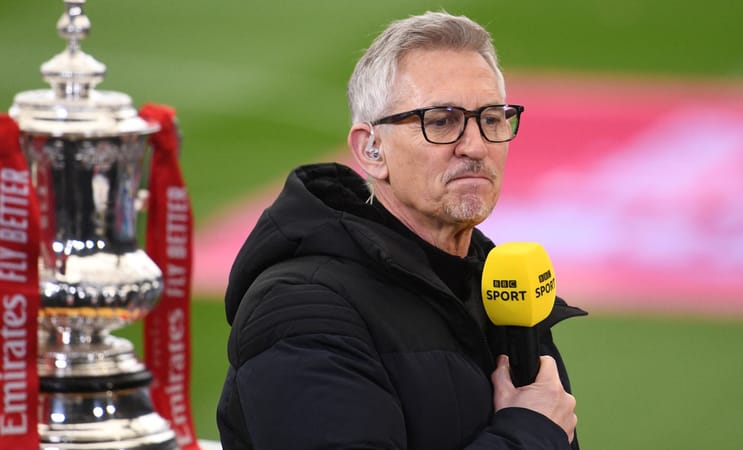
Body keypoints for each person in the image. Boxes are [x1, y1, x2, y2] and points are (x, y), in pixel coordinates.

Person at [217, 11, 587, 449]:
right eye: (442, 120)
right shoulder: (301, 310)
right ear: (371, 149)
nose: (475, 146)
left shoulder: (495, 282)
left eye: (491, 118)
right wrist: (530, 434)